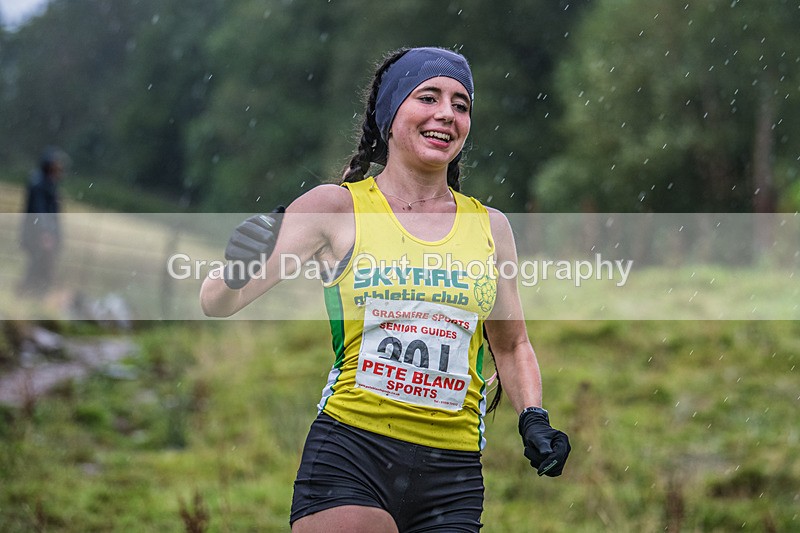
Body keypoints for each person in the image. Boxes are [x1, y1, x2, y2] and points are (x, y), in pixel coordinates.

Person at [200, 46, 570, 532]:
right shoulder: (336, 208)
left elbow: (512, 344)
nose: (447, 114)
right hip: (352, 453)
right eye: (428, 97)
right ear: (390, 115)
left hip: (454, 474)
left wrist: (533, 418)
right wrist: (236, 267)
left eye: (461, 105)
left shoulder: (491, 227)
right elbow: (217, 303)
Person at [17, 146, 67, 297]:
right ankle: (29, 294)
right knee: (38, 265)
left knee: (40, 265)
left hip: (42, 233)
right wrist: (45, 233)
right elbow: (40, 211)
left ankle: (33, 294)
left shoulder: (48, 183)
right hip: (38, 233)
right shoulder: (39, 184)